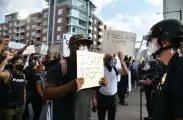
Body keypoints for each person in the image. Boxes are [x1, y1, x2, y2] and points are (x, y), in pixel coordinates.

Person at [43, 34, 107, 120]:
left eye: (86, 45)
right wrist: (68, 87)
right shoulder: (62, 66)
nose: (84, 47)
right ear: (71, 47)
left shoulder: (90, 66)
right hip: (64, 116)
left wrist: (100, 82)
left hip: (83, 115)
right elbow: (46, 93)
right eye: (80, 45)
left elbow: (92, 88)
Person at [145, 19, 183, 120]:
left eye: (152, 40)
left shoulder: (180, 70)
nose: (150, 44)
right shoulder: (169, 67)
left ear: (165, 42)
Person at [96, 52, 128, 120]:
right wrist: (100, 82)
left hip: (113, 98)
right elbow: (95, 82)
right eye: (108, 58)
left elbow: (125, 72)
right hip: (102, 97)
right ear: (104, 60)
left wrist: (121, 59)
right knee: (101, 117)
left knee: (112, 117)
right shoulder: (100, 69)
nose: (110, 60)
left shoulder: (116, 69)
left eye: (111, 58)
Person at [0, 54, 26, 120]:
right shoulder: (8, 73)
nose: (20, 64)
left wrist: (24, 102)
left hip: (20, 106)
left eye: (22, 63)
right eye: (18, 62)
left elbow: (23, 88)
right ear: (13, 64)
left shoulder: (23, 75)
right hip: (8, 107)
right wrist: (6, 59)